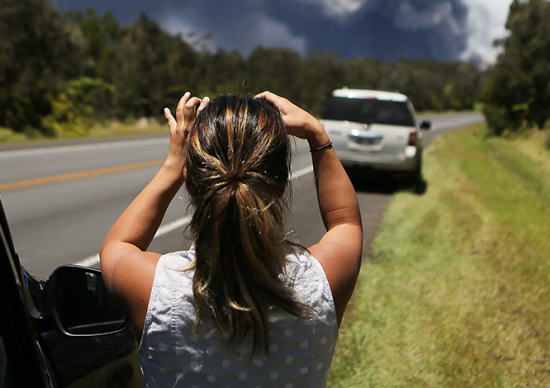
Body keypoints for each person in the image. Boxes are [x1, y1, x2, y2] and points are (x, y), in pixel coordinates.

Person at [100, 91, 363, 387]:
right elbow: (345, 223)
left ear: (191, 184)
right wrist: (317, 134)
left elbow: (117, 246)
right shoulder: (321, 283)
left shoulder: (153, 290)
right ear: (279, 188)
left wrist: (174, 163)